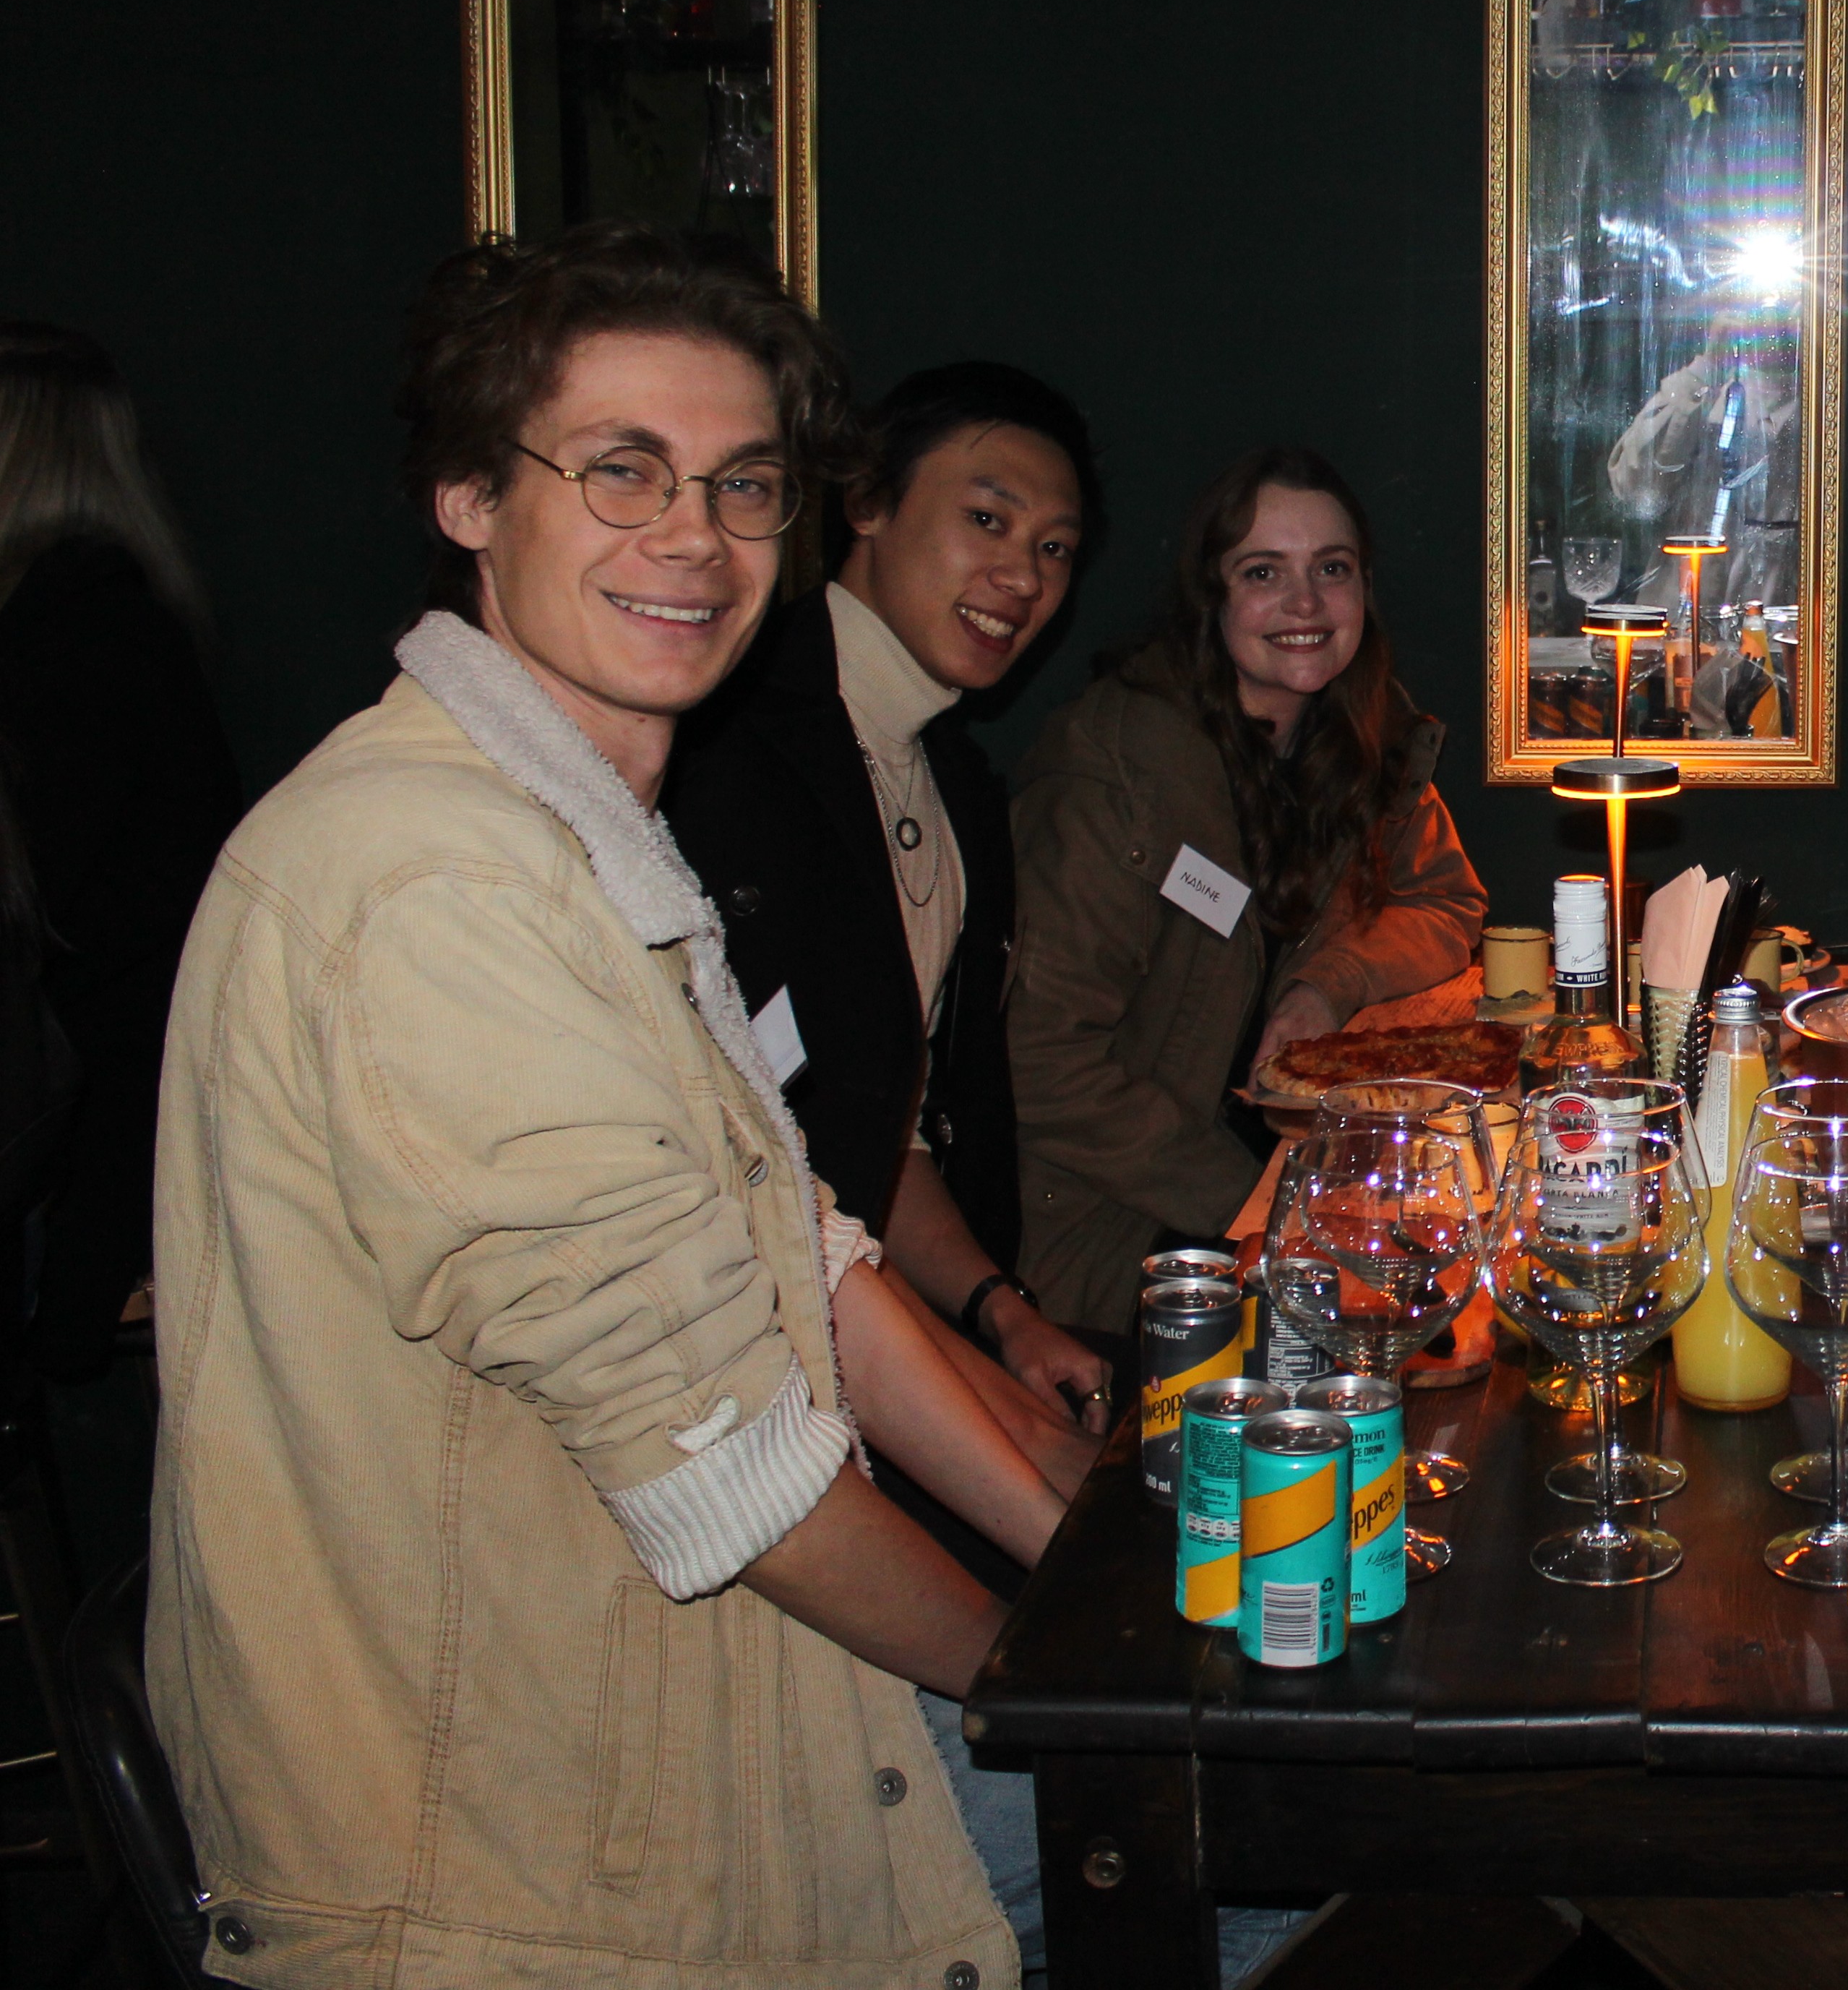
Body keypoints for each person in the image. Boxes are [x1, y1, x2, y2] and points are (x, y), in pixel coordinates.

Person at [148, 224, 1053, 1983]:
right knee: (1303, 1845)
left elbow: (796, 1244)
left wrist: (1066, 1522)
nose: (691, 540)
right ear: (470, 494)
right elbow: (735, 1483)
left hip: (670, 1719)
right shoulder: (436, 882)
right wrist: (1072, 1685)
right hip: (532, 1869)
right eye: (620, 471)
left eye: (739, 485)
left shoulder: (571, 827)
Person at [662, 361, 1112, 1577]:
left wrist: (1003, 1318)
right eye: (987, 519)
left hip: (881, 1336)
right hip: (730, 1401)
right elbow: (749, 1175)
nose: (1021, 576)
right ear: (863, 500)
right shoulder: (714, 740)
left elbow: (878, 1136)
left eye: (1057, 549)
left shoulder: (955, 785)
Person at [1011, 446, 1485, 1334]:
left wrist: (1327, 983)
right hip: (1118, 1238)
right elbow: (1041, 1065)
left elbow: (1447, 901)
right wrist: (1269, 1209)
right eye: (1263, 572)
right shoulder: (1116, 768)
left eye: (1331, 571)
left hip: (1271, 1186)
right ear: (1211, 596)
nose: (1305, 605)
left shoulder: (1355, 737)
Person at [0, 323, 241, 1383]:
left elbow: (52, 926)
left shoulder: (68, 643)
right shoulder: (116, 622)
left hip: (77, 1146)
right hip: (101, 1127)